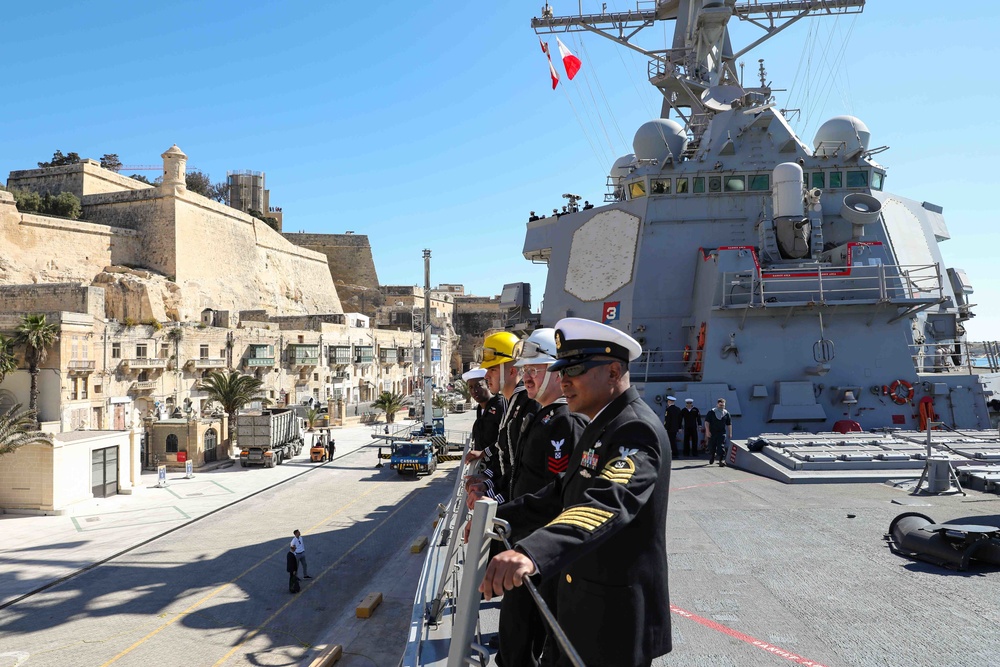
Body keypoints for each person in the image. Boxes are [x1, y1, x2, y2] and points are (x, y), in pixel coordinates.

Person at [481, 317, 672, 667]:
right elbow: (563, 490)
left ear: (614, 372)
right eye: (561, 369)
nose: (564, 380)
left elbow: (607, 501)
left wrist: (532, 552)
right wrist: (498, 516)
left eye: (576, 369)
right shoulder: (601, 422)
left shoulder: (635, 429)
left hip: (613, 621)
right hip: (580, 606)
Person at [491, 328, 588, 667]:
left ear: (559, 372)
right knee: (518, 629)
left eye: (536, 369)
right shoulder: (540, 415)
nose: (526, 376)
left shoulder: (564, 421)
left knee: (529, 632)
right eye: (524, 370)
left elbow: (557, 492)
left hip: (540, 549)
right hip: (524, 540)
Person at [466, 331, 537, 505]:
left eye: (492, 369)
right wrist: (487, 481)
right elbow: (505, 456)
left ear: (512, 371)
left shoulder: (528, 405)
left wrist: (494, 501)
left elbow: (523, 473)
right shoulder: (512, 402)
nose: (486, 376)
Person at [463, 367, 504, 453]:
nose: (474, 390)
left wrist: (485, 453)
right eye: (471, 387)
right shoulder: (480, 409)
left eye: (478, 386)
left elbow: (505, 440)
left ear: (488, 384)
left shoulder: (500, 405)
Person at [704, 397, 733, 466]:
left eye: (723, 405)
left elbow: (729, 424)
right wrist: (707, 431)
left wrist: (730, 433)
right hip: (712, 432)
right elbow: (706, 422)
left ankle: (721, 460)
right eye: (720, 405)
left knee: (721, 446)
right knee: (711, 446)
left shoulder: (726, 413)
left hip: (721, 433)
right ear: (717, 404)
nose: (721, 406)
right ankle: (712, 456)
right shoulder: (711, 412)